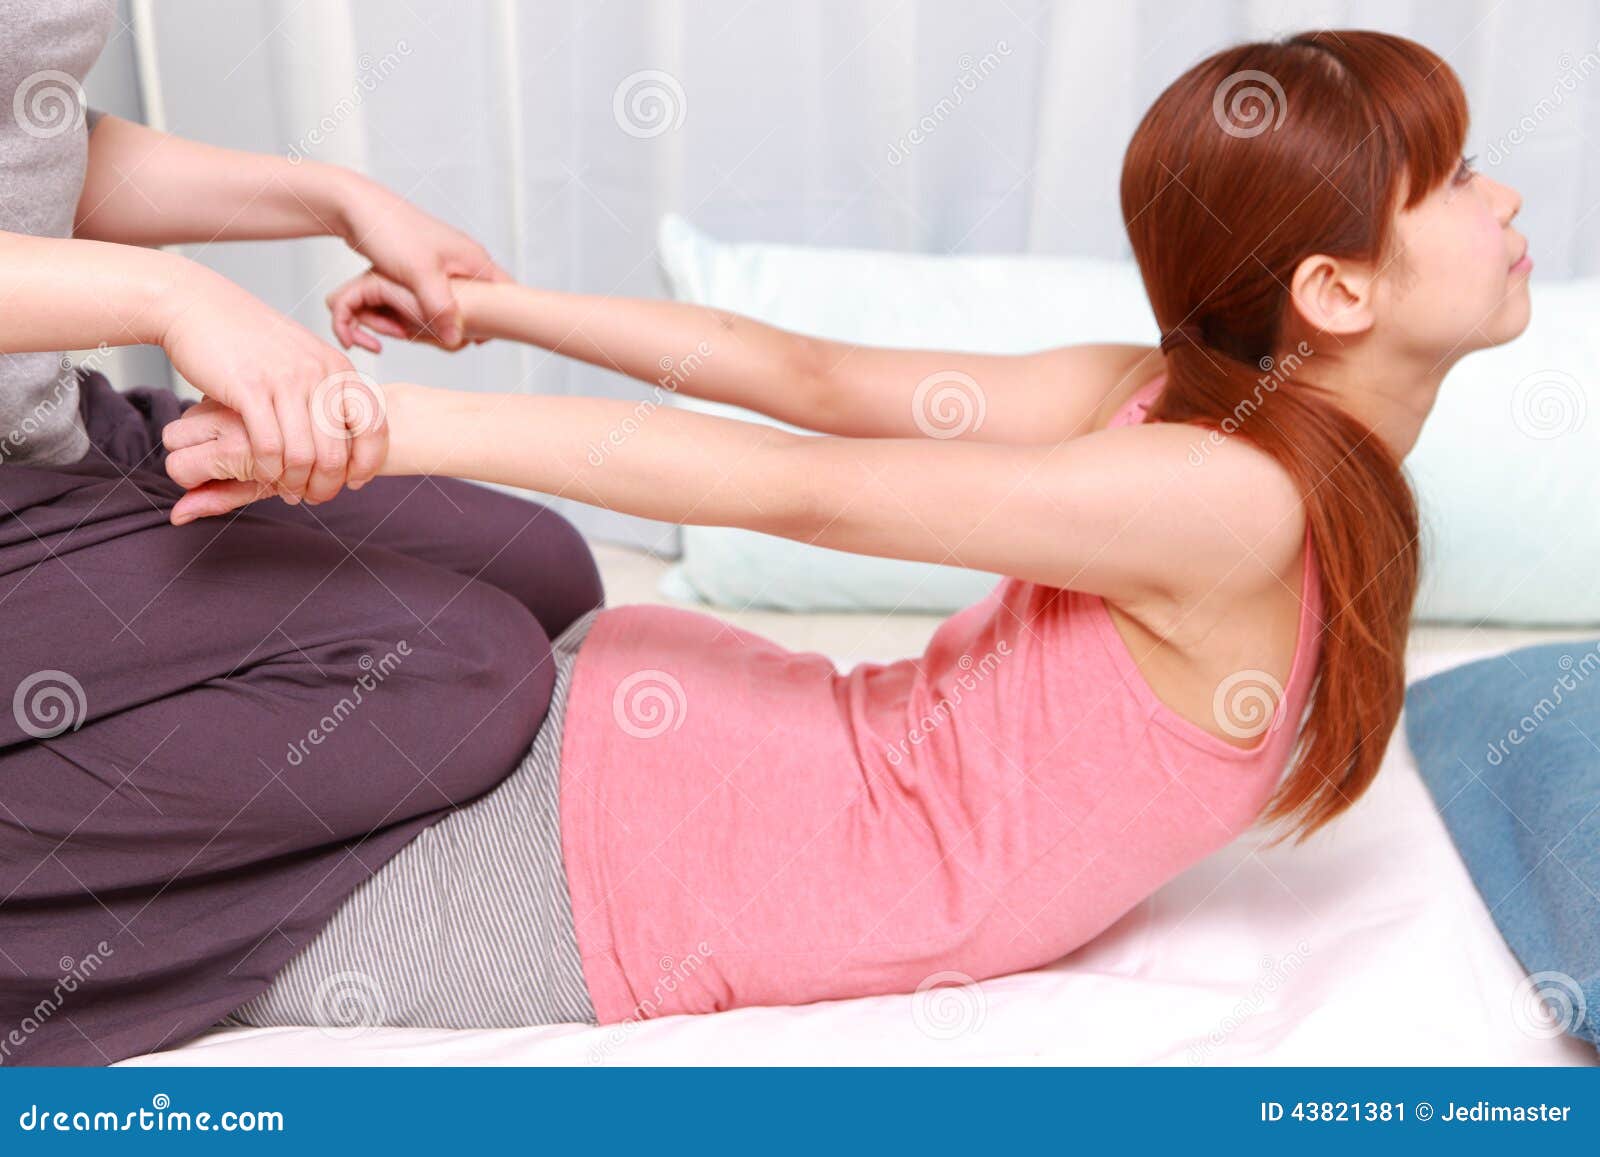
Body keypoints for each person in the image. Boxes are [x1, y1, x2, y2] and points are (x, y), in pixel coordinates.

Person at [159, 30, 1532, 1046]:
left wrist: (395, 416)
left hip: (643, 828)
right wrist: (481, 325)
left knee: (162, 861)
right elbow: (801, 424)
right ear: (1337, 288)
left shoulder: (1199, 446)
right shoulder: (1222, 484)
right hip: (629, 855)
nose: (1506, 201)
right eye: (1460, 177)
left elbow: (800, 423)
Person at [0, 0, 600, 1066]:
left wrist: (336, 199)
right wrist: (169, 293)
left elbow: (33, 127)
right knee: (461, 663)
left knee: (539, 566)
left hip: (53, 436)